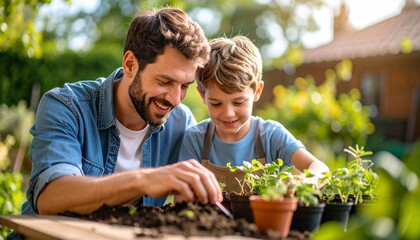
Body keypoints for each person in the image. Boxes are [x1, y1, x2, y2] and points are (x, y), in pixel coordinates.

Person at [18, 7, 223, 218]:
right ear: (130, 64)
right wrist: (145, 180)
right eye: (164, 81)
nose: (175, 98)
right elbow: (51, 197)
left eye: (184, 86)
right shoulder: (67, 107)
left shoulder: (181, 122)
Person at [178, 36, 329, 192]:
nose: (228, 113)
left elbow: (320, 168)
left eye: (238, 102)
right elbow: (182, 196)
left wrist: (304, 182)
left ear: (257, 91)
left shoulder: (271, 136)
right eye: (216, 103)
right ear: (203, 96)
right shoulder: (195, 139)